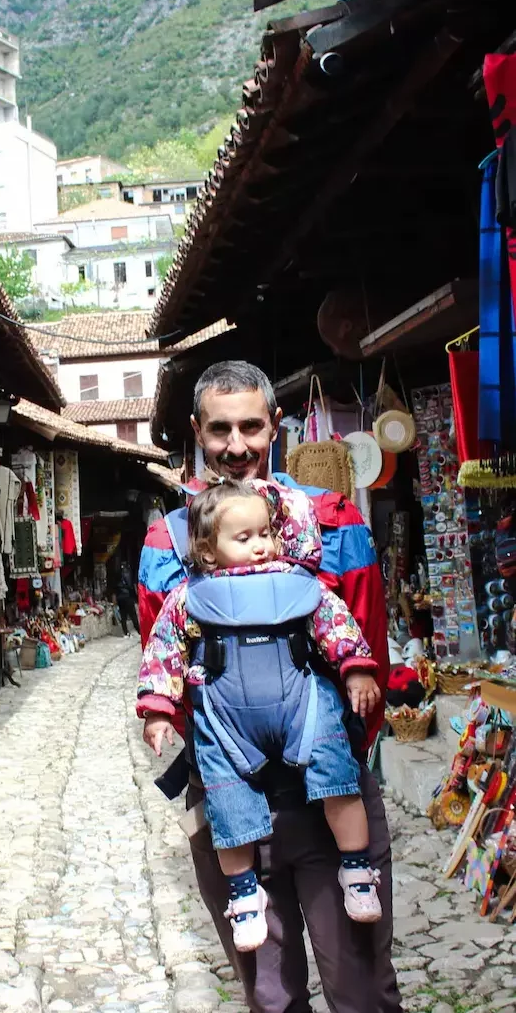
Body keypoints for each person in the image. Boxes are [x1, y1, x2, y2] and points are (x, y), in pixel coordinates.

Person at [138, 361, 401, 1013]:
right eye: (219, 429)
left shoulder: (335, 523)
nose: (236, 446)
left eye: (250, 427)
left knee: (361, 989)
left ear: (273, 425)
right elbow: (167, 663)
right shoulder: (168, 542)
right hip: (230, 805)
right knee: (271, 997)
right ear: (196, 431)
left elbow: (366, 646)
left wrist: (328, 754)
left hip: (327, 791)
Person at [139, 478, 382, 952]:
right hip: (229, 723)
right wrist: (158, 709)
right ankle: (244, 897)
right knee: (227, 801)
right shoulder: (190, 599)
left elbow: (335, 623)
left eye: (265, 534)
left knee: (337, 775)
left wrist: (355, 670)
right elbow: (163, 650)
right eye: (243, 538)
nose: (260, 546)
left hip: (302, 707)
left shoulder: (299, 585)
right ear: (207, 552)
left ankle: (357, 868)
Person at [115, 561, 140, 637]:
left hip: (120, 597)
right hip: (127, 597)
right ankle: (139, 631)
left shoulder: (117, 573)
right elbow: (130, 585)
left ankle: (125, 632)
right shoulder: (127, 573)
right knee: (133, 615)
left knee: (123, 616)